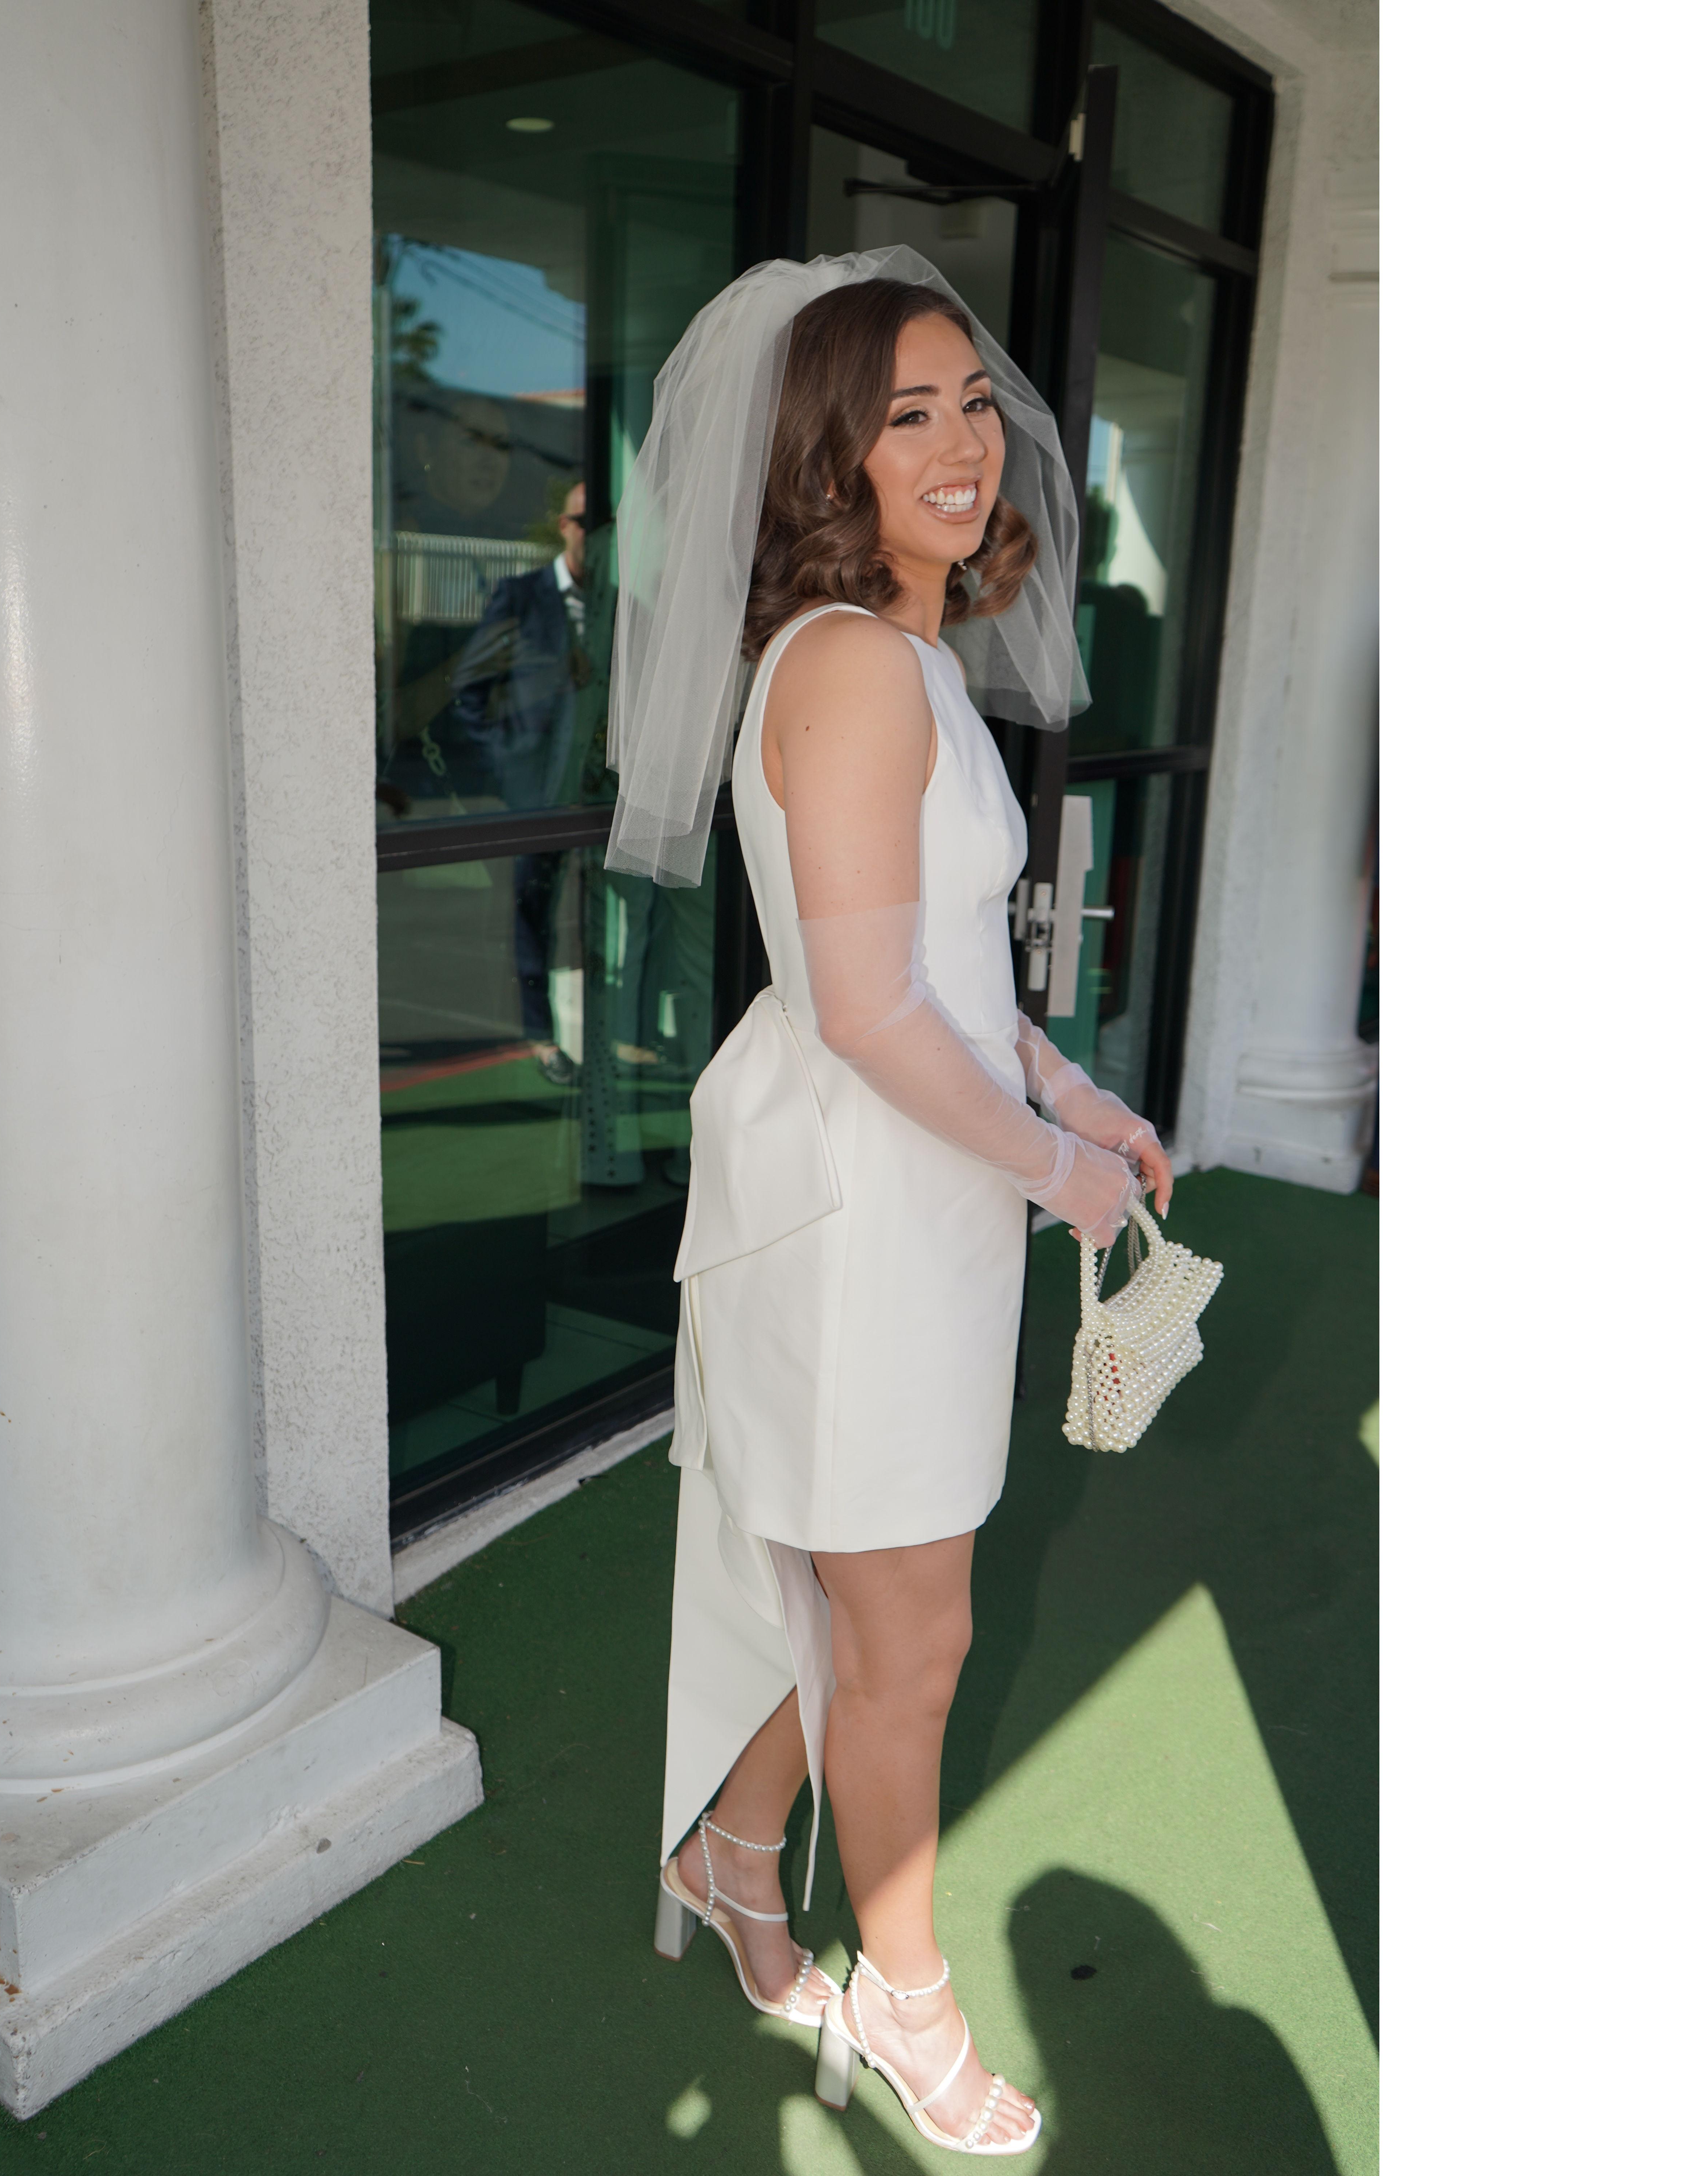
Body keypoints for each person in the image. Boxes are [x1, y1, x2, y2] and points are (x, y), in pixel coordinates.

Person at [608, 251, 1172, 2158]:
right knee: (909, 1638)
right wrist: (1058, 1168)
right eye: (904, 414)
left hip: (919, 1191)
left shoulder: (907, 654)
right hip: (865, 1213)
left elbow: (941, 968)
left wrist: (1071, 1094)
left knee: (874, 1610)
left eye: (972, 402)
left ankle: (734, 1848)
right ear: (827, 460)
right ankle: (907, 2005)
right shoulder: (852, 661)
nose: (961, 442)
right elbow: (864, 1010)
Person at [450, 481, 597, 1084]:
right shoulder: (520, 596)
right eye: (586, 522)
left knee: (592, 917)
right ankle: (541, 1036)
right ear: (563, 526)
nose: (595, 536)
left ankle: (603, 1037)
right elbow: (469, 688)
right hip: (535, 795)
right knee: (533, 912)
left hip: (596, 795)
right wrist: (506, 765)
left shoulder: (617, 603)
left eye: (605, 525)